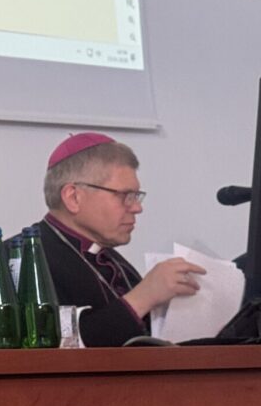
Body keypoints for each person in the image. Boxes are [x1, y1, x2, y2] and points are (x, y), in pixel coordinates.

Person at [30, 132, 203, 347]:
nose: (137, 207)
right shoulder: (21, 260)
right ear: (73, 197)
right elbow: (52, 348)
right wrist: (144, 296)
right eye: (125, 196)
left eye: (136, 196)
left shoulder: (117, 264)